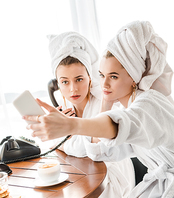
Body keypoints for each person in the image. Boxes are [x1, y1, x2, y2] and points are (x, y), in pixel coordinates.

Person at [24, 21, 174, 197]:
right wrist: (106, 104)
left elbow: (121, 125)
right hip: (162, 185)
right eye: (102, 75)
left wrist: (71, 125)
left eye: (113, 76)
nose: (103, 83)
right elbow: (105, 151)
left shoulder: (149, 104)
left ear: (133, 77)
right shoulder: (127, 105)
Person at [45, 32, 135, 197]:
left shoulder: (107, 103)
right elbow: (52, 141)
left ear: (90, 77)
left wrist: (64, 140)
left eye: (79, 79)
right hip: (83, 173)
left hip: (112, 176)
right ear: (57, 84)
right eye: (65, 82)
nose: (73, 89)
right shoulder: (64, 110)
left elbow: (86, 148)